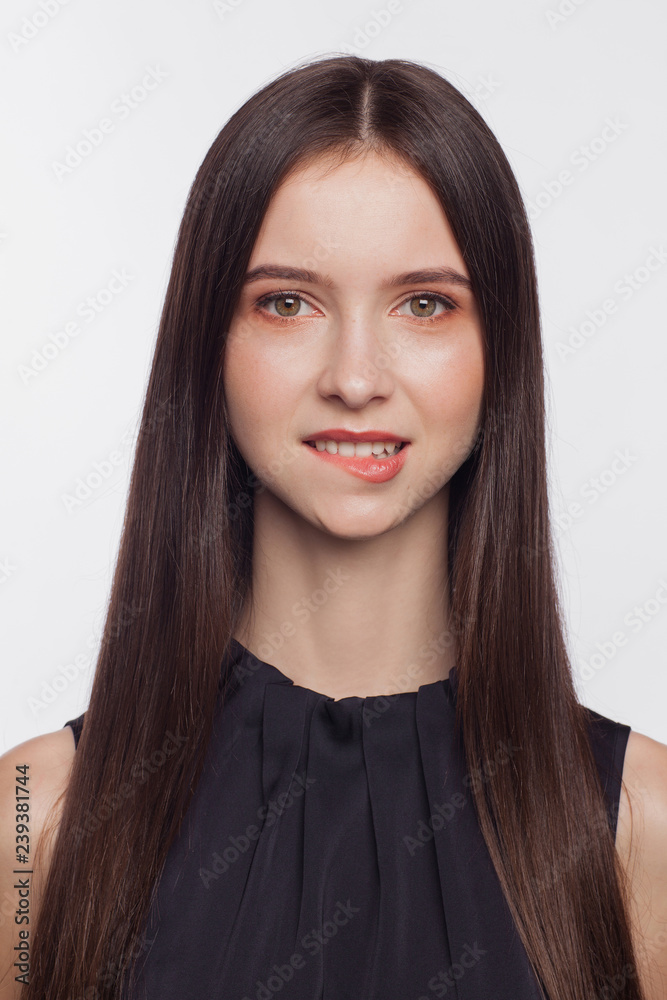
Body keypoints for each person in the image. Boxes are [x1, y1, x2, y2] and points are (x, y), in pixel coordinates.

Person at [1, 54, 666, 1000]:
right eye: (287, 303)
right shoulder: (31, 824)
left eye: (425, 304)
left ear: (500, 350)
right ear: (209, 345)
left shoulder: (642, 827)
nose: (355, 377)